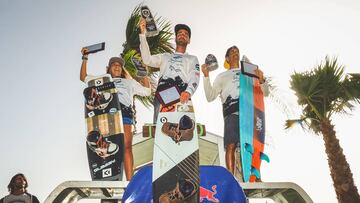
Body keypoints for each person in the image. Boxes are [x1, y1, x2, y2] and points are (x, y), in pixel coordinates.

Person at [80, 49, 151, 180]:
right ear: (109, 68)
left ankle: (130, 181)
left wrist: (144, 73)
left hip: (124, 113)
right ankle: (106, 171)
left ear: (122, 69)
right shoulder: (104, 80)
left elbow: (147, 91)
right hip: (106, 116)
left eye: (119, 65)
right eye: (114, 65)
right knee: (109, 144)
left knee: (127, 146)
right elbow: (83, 77)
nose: (117, 67)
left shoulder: (129, 82)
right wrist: (85, 57)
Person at [201, 45, 266, 176]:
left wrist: (262, 79)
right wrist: (206, 76)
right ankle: (230, 177)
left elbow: (266, 93)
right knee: (230, 145)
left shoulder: (250, 73)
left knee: (251, 148)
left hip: (249, 114)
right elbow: (210, 96)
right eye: (232, 52)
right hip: (231, 114)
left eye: (237, 51)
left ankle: (254, 176)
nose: (235, 53)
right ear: (227, 59)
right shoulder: (222, 76)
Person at [138, 18, 200, 123]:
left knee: (183, 129)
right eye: (179, 33)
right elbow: (147, 59)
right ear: (175, 38)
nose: (182, 34)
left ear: (189, 40)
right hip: (162, 94)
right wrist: (143, 35)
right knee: (161, 129)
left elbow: (195, 76)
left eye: (186, 34)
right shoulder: (165, 56)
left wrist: (188, 92)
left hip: (182, 94)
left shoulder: (192, 59)